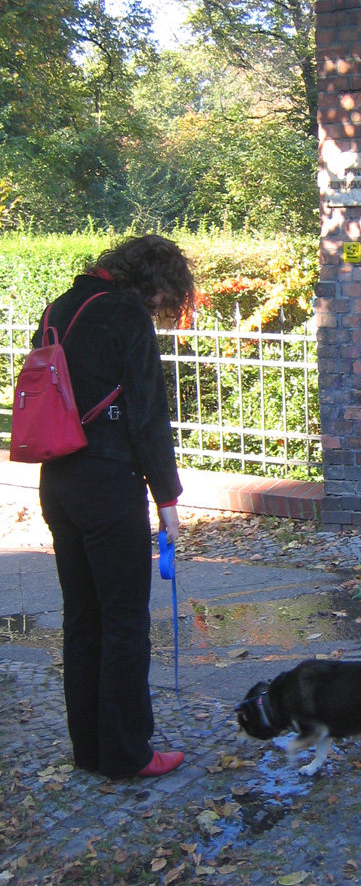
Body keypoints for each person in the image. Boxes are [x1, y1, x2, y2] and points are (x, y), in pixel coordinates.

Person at [35, 234, 194, 778]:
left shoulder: (60, 306)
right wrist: (167, 498)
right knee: (125, 621)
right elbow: (148, 416)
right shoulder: (125, 316)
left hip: (58, 480)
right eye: (164, 298)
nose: (160, 309)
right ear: (152, 284)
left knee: (83, 619)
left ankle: (91, 750)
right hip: (108, 484)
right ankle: (128, 753)